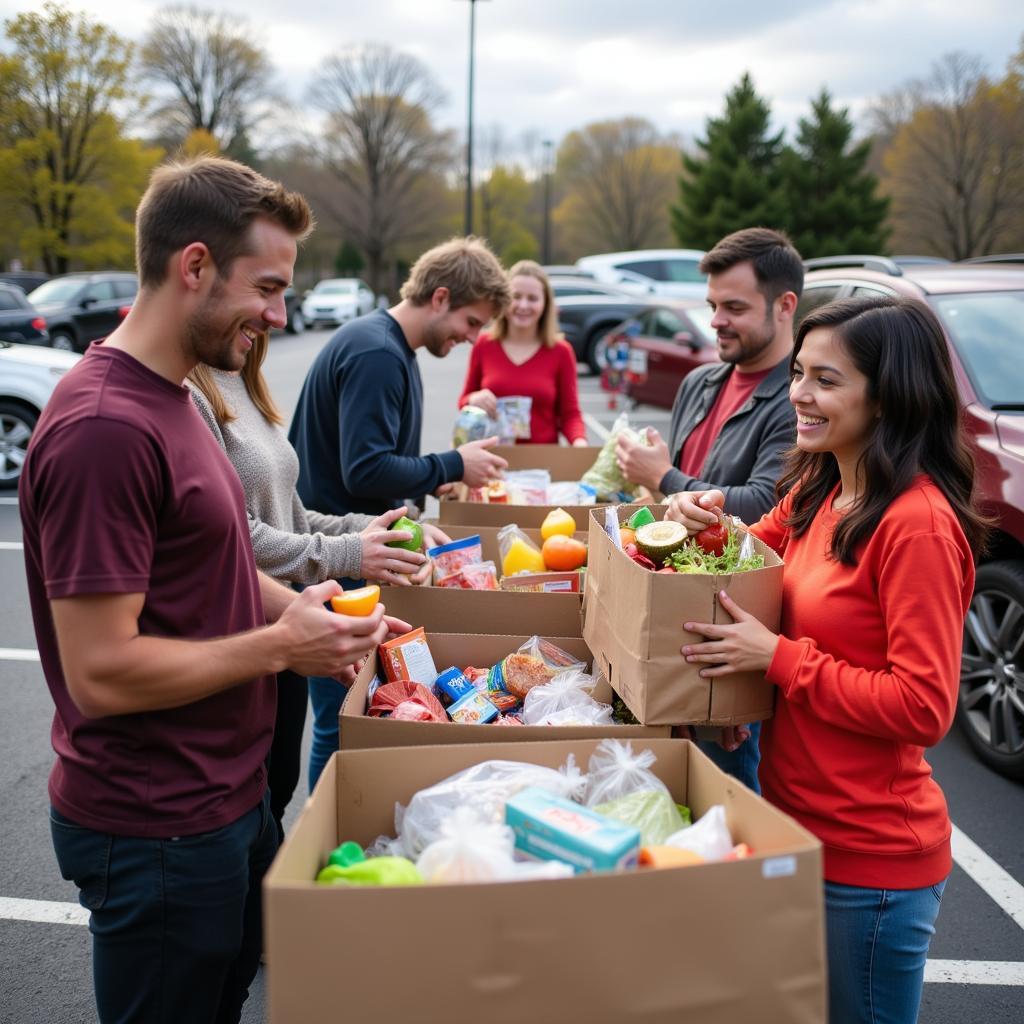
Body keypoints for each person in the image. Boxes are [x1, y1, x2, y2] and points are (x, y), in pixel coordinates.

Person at [19, 156, 403, 1024]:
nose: (279, 315)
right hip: (154, 826)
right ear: (193, 266)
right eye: (266, 288)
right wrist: (281, 648)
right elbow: (102, 672)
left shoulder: (181, 401)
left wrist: (320, 620)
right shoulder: (104, 430)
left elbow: (221, 571)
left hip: (223, 802)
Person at [667, 296, 987, 1024]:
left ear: (889, 396)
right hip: (796, 824)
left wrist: (779, 661)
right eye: (800, 375)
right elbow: (753, 556)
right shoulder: (820, 487)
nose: (799, 395)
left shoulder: (919, 528)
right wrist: (705, 522)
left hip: (870, 862)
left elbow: (923, 707)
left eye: (826, 380)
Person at [188, 333, 431, 844]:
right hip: (243, 632)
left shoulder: (242, 380)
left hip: (286, 621)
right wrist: (346, 555)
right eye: (266, 288)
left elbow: (294, 517)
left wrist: (374, 530)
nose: (277, 314)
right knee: (251, 813)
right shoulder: (192, 391)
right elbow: (233, 535)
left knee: (276, 791)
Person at [288, 236, 512, 788]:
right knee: (341, 724)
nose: (472, 337)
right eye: (470, 320)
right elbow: (363, 470)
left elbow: (375, 465)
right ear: (439, 297)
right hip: (338, 560)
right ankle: (330, 829)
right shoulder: (377, 354)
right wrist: (452, 463)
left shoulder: (389, 348)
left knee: (346, 717)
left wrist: (412, 517)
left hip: (351, 551)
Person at [615, 227, 803, 792]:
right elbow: (673, 509)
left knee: (728, 796)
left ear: (785, 305)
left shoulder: (802, 398)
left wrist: (663, 476)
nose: (716, 320)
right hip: (672, 621)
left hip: (733, 633)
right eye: (712, 305)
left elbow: (766, 505)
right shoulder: (700, 382)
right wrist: (650, 491)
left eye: (735, 307)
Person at [458, 259, 588, 445]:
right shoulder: (483, 344)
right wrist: (473, 399)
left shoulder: (561, 352)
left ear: (545, 304)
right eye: (516, 296)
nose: (523, 305)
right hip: (489, 461)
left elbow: (570, 414)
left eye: (532, 298)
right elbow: (463, 401)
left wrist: (579, 442)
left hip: (542, 465)